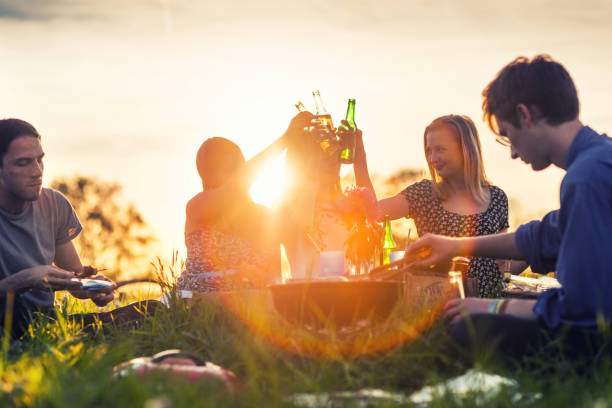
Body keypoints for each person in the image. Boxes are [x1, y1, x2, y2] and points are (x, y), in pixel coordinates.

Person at [406, 55, 612, 357]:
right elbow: (545, 237)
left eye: (508, 136)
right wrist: (454, 246)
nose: (514, 153)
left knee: (468, 327)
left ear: (524, 115)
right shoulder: (599, 158)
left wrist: (494, 306)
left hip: (598, 342)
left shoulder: (586, 178)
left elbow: (584, 310)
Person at [0, 118, 158, 338]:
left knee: (153, 311)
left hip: (46, 324)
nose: (37, 171)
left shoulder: (54, 203)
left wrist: (92, 288)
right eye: (23, 163)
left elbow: (74, 280)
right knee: (16, 313)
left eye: (40, 160)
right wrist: (25, 280)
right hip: (6, 322)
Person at [352, 114, 521, 297]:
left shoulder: (497, 197)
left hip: (486, 307)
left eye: (440, 149)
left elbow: (501, 265)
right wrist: (359, 159)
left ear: (465, 149)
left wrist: (533, 253)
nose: (433, 158)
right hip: (437, 307)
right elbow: (371, 211)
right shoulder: (424, 194)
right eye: (429, 151)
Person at [178, 112, 315, 292]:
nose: (235, 176)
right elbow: (236, 187)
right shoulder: (197, 207)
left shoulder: (264, 217)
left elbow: (275, 280)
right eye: (227, 170)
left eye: (237, 169)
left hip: (253, 311)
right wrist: (285, 139)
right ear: (206, 175)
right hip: (201, 311)